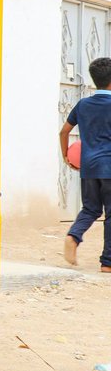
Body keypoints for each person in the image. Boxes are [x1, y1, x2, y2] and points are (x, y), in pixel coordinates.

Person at [59, 56, 111, 272]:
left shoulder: (83, 104)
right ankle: (107, 263)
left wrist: (66, 156)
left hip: (88, 167)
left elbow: (64, 131)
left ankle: (73, 236)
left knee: (90, 209)